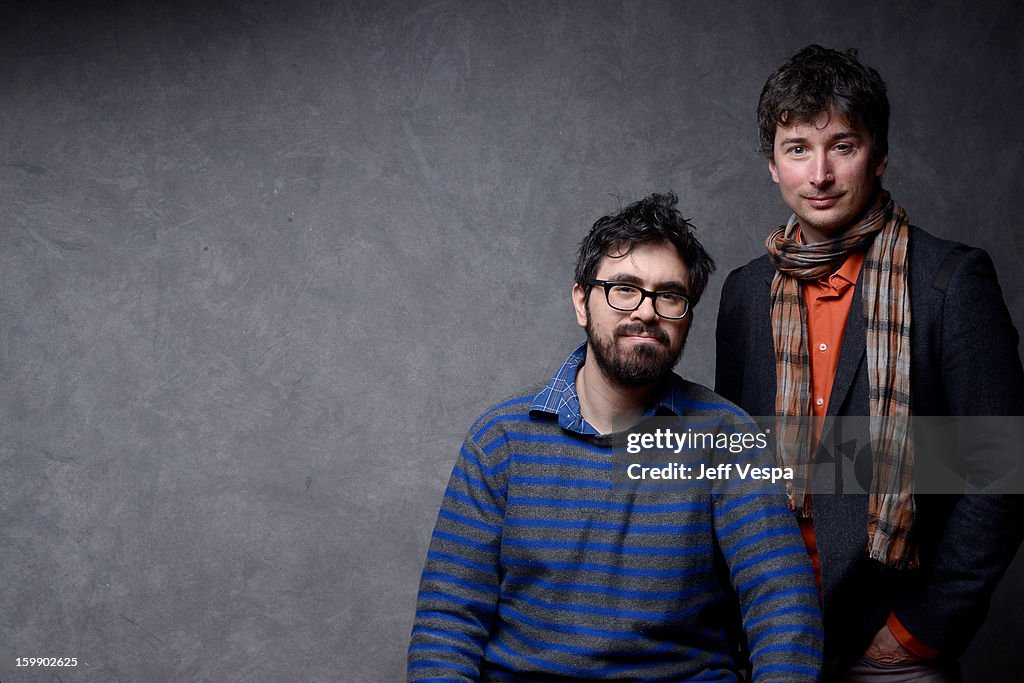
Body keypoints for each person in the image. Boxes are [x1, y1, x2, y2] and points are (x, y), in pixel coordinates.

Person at [408, 192, 823, 682]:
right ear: (582, 302)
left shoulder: (727, 438)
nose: (646, 312)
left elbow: (783, 609)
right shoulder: (500, 443)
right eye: (624, 288)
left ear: (686, 315)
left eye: (669, 295)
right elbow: (446, 628)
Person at [715, 44, 1024, 681]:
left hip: (890, 636)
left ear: (879, 155)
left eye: (843, 146)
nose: (819, 174)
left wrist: (919, 632)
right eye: (797, 148)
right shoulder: (745, 293)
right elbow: (737, 472)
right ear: (773, 166)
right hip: (766, 632)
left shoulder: (949, 282)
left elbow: (1004, 469)